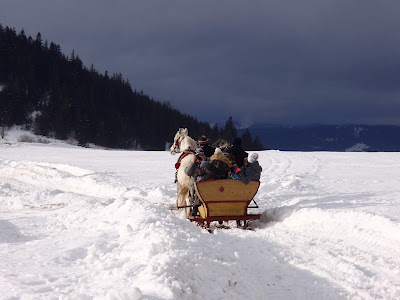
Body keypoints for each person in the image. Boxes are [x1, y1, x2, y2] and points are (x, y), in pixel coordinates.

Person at [184, 148, 207, 216]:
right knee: (197, 193)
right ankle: (195, 208)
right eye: (198, 156)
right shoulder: (193, 164)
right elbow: (187, 172)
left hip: (205, 184)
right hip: (194, 185)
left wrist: (204, 161)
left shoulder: (207, 162)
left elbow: (208, 172)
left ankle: (196, 208)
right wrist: (193, 162)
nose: (199, 157)